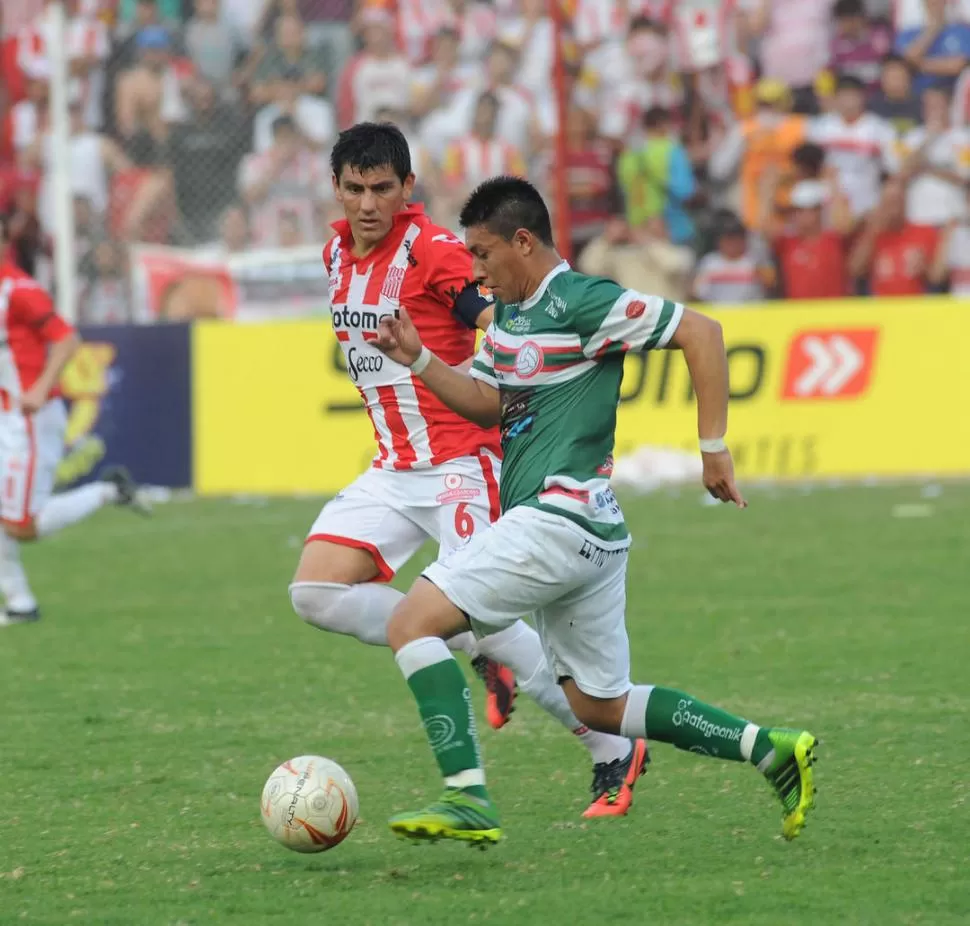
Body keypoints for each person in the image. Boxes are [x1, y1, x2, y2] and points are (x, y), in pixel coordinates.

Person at [372, 176, 819, 846]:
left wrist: (713, 449)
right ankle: (771, 750)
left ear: (524, 241)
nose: (476, 270)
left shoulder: (582, 298)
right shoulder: (510, 321)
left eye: (484, 253)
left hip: (557, 517)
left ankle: (467, 795)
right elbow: (491, 406)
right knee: (598, 704)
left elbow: (702, 331)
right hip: (590, 534)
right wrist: (421, 360)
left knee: (412, 622)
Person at [289, 124, 647, 818]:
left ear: (407, 189)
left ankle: (609, 746)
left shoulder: (434, 252)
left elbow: (497, 312)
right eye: (356, 188)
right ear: (337, 188)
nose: (369, 203)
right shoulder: (335, 253)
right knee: (314, 593)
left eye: (383, 188)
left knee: (491, 620)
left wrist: (529, 391)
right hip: (394, 467)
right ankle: (467, 644)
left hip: (460, 463)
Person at [0, 215, 148, 626]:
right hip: (6, 416)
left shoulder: (21, 291)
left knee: (22, 525)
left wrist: (39, 387)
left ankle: (106, 491)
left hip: (30, 419)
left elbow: (67, 339)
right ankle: (19, 603)